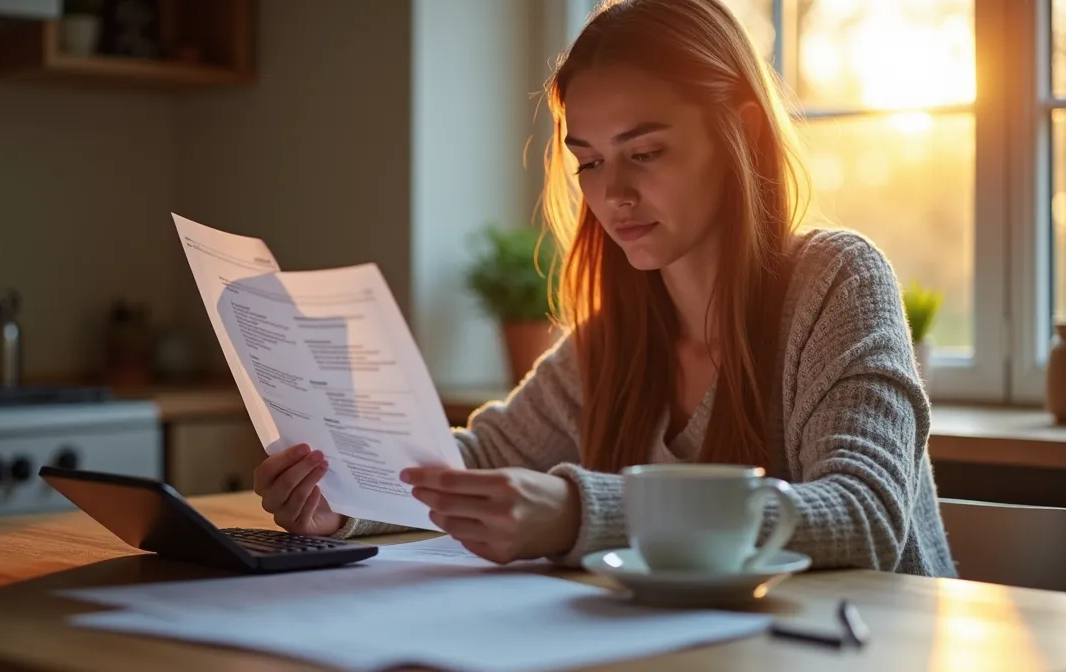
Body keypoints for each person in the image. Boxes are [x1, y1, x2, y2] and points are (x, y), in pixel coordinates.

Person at [252, 0, 957, 577]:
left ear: (738, 132)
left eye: (644, 153)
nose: (612, 194)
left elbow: (862, 516)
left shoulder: (836, 283)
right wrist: (343, 501)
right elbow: (480, 462)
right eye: (588, 162)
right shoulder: (621, 329)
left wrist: (578, 513)